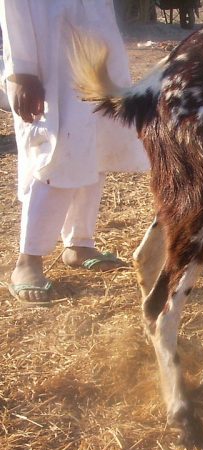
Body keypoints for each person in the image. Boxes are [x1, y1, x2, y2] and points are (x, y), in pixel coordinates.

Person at [0, 0, 149, 304]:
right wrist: (22, 72)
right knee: (56, 156)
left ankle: (80, 244)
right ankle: (28, 260)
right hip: (50, 65)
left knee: (93, 151)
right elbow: (12, 10)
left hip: (96, 59)